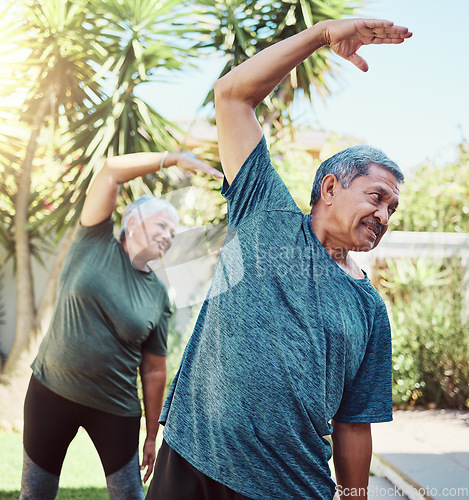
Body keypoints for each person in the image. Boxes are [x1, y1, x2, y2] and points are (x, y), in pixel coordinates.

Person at [145, 18, 412, 500]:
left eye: (391, 208)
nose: (383, 215)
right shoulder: (264, 211)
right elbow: (230, 95)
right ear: (330, 188)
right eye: (376, 197)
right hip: (191, 460)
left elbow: (354, 423)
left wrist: (353, 498)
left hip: (288, 488)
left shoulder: (371, 309)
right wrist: (322, 35)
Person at [20, 150, 222, 500]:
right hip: (51, 393)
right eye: (161, 225)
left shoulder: (159, 293)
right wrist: (174, 160)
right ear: (133, 222)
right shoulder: (93, 242)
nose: (168, 236)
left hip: (115, 409)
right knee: (35, 494)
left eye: (173, 231)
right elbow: (111, 170)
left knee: (129, 496)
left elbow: (155, 369)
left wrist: (150, 434)